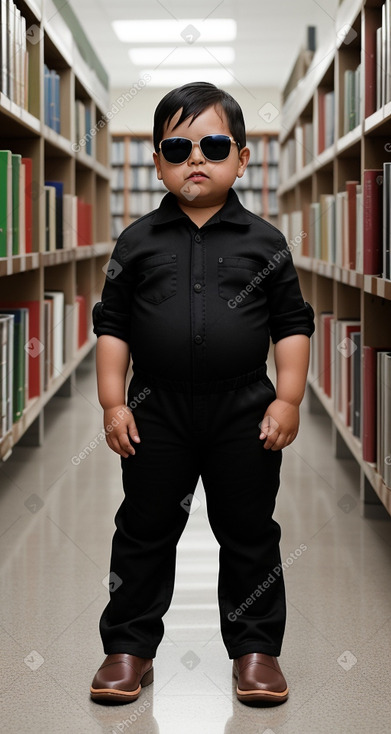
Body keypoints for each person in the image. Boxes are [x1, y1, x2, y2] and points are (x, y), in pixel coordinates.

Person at [90, 81, 315, 707]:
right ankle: (128, 647)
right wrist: (113, 403)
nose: (197, 158)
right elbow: (113, 329)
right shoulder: (135, 243)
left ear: (242, 158)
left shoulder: (265, 241)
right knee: (144, 528)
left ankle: (255, 649)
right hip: (154, 410)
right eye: (178, 146)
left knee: (248, 530)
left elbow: (291, 324)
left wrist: (288, 399)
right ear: (157, 162)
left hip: (243, 409)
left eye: (214, 145)